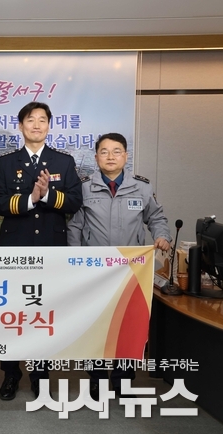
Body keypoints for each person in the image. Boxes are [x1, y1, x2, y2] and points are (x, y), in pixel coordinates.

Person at [0, 102, 83, 400]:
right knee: (12, 312)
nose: (37, 125)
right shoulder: (6, 162)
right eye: (31, 120)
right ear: (21, 126)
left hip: (50, 249)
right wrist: (30, 198)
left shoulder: (63, 161)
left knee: (43, 312)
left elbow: (74, 201)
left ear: (49, 126)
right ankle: (11, 373)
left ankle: (40, 374)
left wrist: (49, 194)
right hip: (14, 248)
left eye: (43, 120)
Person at [67, 132, 171, 399]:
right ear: (96, 157)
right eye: (104, 152)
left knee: (128, 325)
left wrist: (162, 236)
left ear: (126, 156)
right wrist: (75, 262)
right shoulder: (83, 188)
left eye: (116, 151)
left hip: (131, 270)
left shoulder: (142, 188)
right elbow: (75, 227)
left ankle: (123, 379)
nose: (110, 157)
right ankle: (97, 379)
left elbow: (156, 218)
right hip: (94, 271)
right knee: (96, 325)